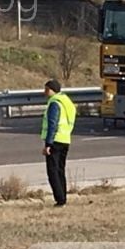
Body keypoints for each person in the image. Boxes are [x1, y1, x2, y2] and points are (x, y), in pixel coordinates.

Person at [41, 79, 76, 207]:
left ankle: (60, 199)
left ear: (52, 90)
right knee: (60, 170)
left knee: (53, 171)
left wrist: (48, 144)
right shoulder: (66, 101)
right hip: (65, 139)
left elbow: (52, 124)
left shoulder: (55, 103)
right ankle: (63, 198)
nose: (44, 92)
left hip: (55, 140)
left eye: (46, 89)